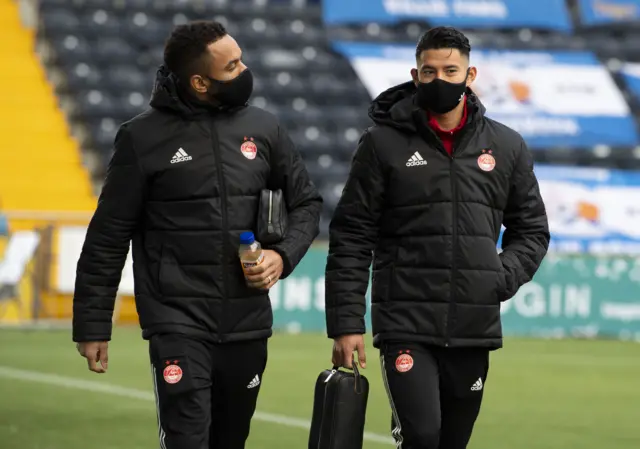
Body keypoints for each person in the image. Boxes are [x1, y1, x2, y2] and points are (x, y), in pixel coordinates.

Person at [72, 20, 322, 449]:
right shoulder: (140, 137)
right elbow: (108, 235)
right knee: (188, 439)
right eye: (233, 67)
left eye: (242, 59)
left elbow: (307, 205)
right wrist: (92, 324)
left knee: (229, 441)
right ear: (200, 82)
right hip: (177, 321)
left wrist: (282, 256)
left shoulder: (265, 129)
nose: (245, 71)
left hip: (246, 323)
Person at [325, 26, 549, 449]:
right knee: (422, 437)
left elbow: (532, 230)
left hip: (472, 325)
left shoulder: (506, 146)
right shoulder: (381, 144)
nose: (440, 80)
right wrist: (346, 323)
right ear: (415, 74)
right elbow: (352, 236)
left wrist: (499, 278)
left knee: (452, 442)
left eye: (451, 70)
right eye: (430, 72)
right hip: (405, 322)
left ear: (471, 74)